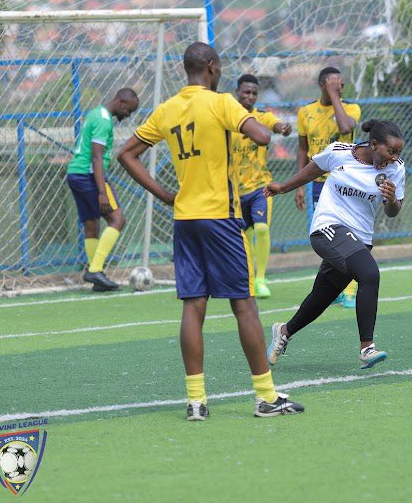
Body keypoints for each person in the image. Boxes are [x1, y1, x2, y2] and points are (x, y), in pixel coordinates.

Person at [117, 42, 304, 420]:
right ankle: (266, 396)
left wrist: (166, 195)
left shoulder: (168, 108)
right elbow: (264, 137)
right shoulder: (221, 103)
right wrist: (251, 123)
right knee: (244, 305)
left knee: (193, 304)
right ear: (213, 68)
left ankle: (196, 401)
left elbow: (126, 153)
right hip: (221, 216)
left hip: (186, 218)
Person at [264, 119, 405, 369]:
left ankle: (284, 331)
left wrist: (392, 199)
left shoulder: (396, 169)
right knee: (369, 274)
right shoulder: (339, 152)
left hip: (360, 239)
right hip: (328, 227)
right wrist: (283, 187)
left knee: (322, 296)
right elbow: (312, 170)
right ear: (373, 144)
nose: (394, 158)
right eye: (390, 151)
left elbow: (393, 211)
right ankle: (367, 348)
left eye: (398, 153)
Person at [295, 67, 361, 309]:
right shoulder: (305, 112)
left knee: (349, 235)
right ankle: (334, 287)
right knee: (326, 237)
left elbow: (345, 128)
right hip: (318, 185)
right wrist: (299, 184)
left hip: (346, 184)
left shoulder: (350, 108)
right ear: (323, 84)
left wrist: (334, 97)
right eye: (336, 84)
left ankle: (351, 289)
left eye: (342, 85)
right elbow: (302, 148)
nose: (341, 88)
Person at [66, 88, 139, 291]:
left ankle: (96, 276)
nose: (128, 115)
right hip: (89, 176)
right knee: (118, 219)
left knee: (91, 225)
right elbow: (96, 157)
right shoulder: (103, 120)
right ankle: (95, 269)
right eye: (129, 110)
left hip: (75, 174)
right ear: (121, 102)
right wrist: (101, 191)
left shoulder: (95, 113)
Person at [231, 73, 293, 299]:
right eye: (246, 92)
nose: (250, 96)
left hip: (261, 186)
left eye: (254, 93)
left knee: (262, 228)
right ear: (237, 92)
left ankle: (261, 278)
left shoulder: (261, 117)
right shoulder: (228, 120)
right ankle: (249, 279)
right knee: (244, 237)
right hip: (236, 191)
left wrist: (282, 128)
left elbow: (275, 125)